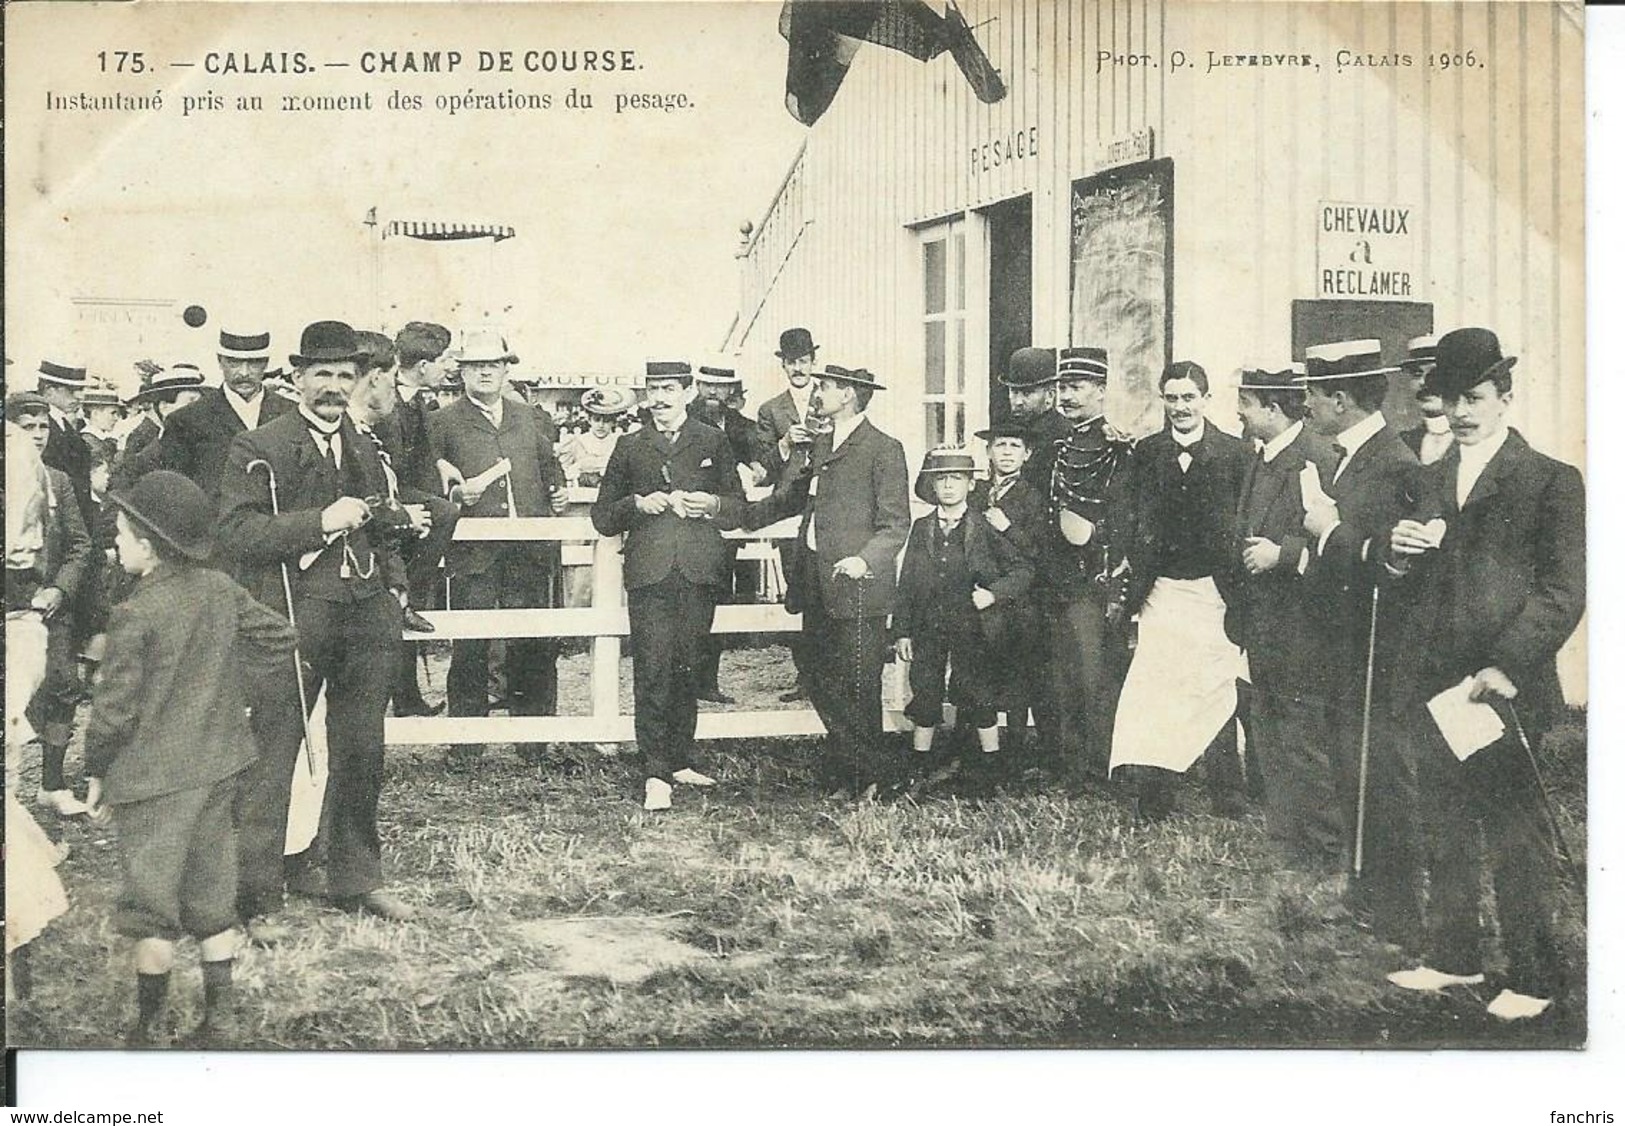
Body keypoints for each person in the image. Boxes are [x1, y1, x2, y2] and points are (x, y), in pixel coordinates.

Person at [1377, 327, 1584, 1022]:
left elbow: (1561, 591)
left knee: (1514, 833)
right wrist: (1397, 556)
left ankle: (1533, 975)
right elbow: (1409, 581)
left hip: (1500, 686)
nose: (1461, 412)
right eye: (1450, 399)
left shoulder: (1549, 480)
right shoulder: (1428, 478)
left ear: (1503, 397)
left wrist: (1507, 664)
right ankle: (1454, 957)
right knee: (1443, 822)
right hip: (1439, 685)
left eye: (1474, 397)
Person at [83, 470, 299, 1047]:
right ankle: (220, 1019)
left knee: (150, 904)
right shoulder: (220, 589)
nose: (116, 546)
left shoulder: (134, 613)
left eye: (122, 536)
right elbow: (280, 639)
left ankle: (149, 1029)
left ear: (149, 546)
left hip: (153, 781)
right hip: (220, 763)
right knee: (212, 895)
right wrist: (231, 695)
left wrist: (96, 771)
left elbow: (114, 714)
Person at [217, 319, 418, 923]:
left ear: (359, 381)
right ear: (298, 377)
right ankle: (255, 894)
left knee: (363, 747)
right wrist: (320, 521)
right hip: (295, 615)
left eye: (345, 376)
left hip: (366, 614)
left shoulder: (361, 442)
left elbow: (375, 517)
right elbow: (234, 533)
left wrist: (399, 523)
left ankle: (357, 878)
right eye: (322, 375)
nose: (333, 387)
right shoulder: (261, 447)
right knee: (274, 751)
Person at [1300, 337, 1423, 951]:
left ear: (1341, 400)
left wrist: (1327, 532)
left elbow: (1391, 566)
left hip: (1376, 648)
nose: (1307, 406)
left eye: (1313, 396)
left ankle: (1397, 910)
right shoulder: (1351, 455)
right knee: (1352, 767)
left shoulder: (1394, 464)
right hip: (1345, 645)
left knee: (1381, 773)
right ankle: (1366, 893)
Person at [748, 363, 910, 798]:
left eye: (826, 386)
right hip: (816, 585)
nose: (817, 392)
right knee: (820, 676)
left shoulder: (883, 448)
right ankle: (854, 771)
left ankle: (870, 777)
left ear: (850, 395)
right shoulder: (820, 445)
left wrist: (864, 559)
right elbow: (789, 501)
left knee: (859, 683)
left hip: (859, 588)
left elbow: (895, 524)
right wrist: (725, 513)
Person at [592, 361, 747, 811]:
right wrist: (638, 503)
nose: (660, 398)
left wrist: (713, 503)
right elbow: (602, 517)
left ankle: (680, 759)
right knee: (654, 670)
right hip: (650, 574)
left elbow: (736, 508)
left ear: (687, 391)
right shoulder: (630, 445)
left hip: (699, 571)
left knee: (688, 667)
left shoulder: (713, 440)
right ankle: (656, 772)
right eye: (653, 390)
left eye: (669, 389)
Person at [1109, 361, 1251, 820]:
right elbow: (1125, 514)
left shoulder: (1235, 454)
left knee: (1216, 684)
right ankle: (1157, 793)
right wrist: (1136, 561)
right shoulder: (1147, 453)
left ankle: (1226, 790)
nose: (1180, 407)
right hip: (1163, 591)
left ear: (1206, 400)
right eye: (1171, 398)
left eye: (1189, 397)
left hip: (1215, 592)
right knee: (1160, 686)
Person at [427, 327, 565, 764]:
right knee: (472, 645)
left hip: (529, 550)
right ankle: (467, 744)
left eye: (493, 365)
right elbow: (430, 481)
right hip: (475, 554)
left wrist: (557, 491)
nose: (485, 373)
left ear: (507, 370)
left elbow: (550, 468)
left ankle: (534, 742)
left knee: (534, 643)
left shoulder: (531, 417)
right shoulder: (442, 423)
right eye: (476, 366)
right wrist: (451, 494)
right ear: (462, 372)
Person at [1228, 363, 1341, 866]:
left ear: (1273, 409)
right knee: (1269, 728)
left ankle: (1326, 846)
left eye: (1246, 404)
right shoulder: (1263, 456)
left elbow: (1335, 539)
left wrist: (1284, 552)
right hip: (1264, 622)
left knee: (1304, 735)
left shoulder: (1314, 458)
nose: (1238, 413)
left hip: (1303, 623)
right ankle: (1286, 840)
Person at [892, 447, 1033, 797]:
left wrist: (993, 594)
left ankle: (990, 771)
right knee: (925, 689)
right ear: (931, 486)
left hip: (973, 624)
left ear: (971, 484)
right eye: (941, 480)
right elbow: (908, 581)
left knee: (978, 692)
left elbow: (1023, 570)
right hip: (929, 625)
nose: (949, 487)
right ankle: (919, 768)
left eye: (956, 479)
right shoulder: (922, 527)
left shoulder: (984, 526)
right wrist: (903, 630)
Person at [1039, 346, 1134, 789]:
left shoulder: (1118, 448)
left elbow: (1127, 515)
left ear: (1100, 390)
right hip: (1059, 578)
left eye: (1076, 387)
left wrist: (1096, 542)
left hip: (1095, 578)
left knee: (1095, 676)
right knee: (1062, 677)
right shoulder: (1060, 444)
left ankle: (1100, 767)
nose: (1066, 396)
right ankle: (1072, 767)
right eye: (1061, 387)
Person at [6, 392, 93, 817]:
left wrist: (60, 590)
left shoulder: (57, 480)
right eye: (27, 427)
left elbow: (81, 543)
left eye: (43, 427)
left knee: (62, 687)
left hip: (49, 611)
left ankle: (52, 785)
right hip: (10, 609)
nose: (37, 435)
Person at [969, 420, 1046, 772]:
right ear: (988, 451)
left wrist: (1007, 527)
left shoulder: (1032, 497)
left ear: (1027, 454)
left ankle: (1014, 755)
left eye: (1015, 446)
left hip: (1018, 600)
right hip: (979, 597)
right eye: (1000, 445)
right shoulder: (977, 491)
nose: (1007, 452)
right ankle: (982, 754)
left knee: (1017, 680)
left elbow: (1038, 553)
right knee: (979, 675)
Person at [156, 329, 293, 499]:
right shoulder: (185, 421)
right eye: (234, 363)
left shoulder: (291, 413)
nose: (244, 373)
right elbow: (175, 493)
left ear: (266, 363)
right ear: (220, 362)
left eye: (253, 363)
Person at [111, 366, 207, 491]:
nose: (198, 409)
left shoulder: (207, 442)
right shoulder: (148, 454)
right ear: (164, 407)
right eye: (191, 402)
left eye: (200, 402)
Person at [1000, 346, 1071, 491]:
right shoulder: (1006, 432)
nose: (1018, 401)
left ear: (1050, 396)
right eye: (1014, 392)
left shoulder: (1064, 434)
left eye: (1027, 393)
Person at [756, 327, 819, 486]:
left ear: (814, 362)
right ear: (783, 365)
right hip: (786, 500)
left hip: (827, 498)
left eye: (803, 361)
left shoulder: (831, 401)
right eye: (791, 362)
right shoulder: (770, 410)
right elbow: (764, 469)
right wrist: (785, 443)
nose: (797, 369)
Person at [559, 387, 634, 487]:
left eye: (606, 421)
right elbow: (564, 471)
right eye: (597, 420)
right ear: (589, 420)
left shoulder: (620, 442)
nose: (601, 425)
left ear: (614, 423)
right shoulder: (577, 442)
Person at [1397, 335, 1453, 466]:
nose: (1423, 382)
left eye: (1436, 374)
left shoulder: (1477, 439)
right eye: (1417, 374)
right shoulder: (1403, 442)